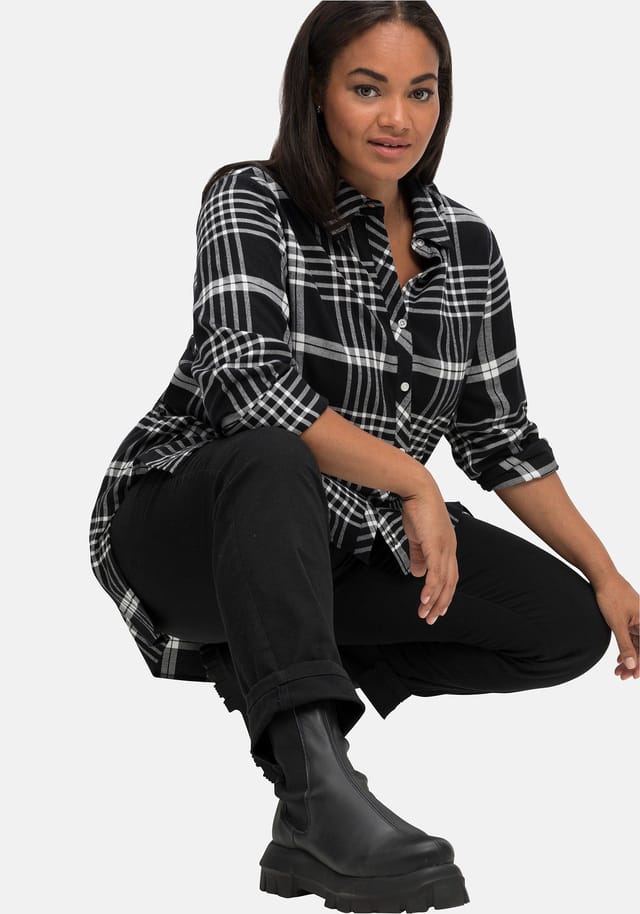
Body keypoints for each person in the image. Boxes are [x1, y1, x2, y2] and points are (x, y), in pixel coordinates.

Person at [88, 2, 639, 911]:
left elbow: (500, 435)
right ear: (316, 91)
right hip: (191, 524)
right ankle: (320, 790)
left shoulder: (467, 247)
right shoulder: (250, 198)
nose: (398, 118)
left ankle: (281, 676)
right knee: (273, 454)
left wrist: (609, 573)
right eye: (367, 88)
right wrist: (412, 478)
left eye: (421, 92)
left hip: (339, 542)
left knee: (562, 625)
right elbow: (248, 384)